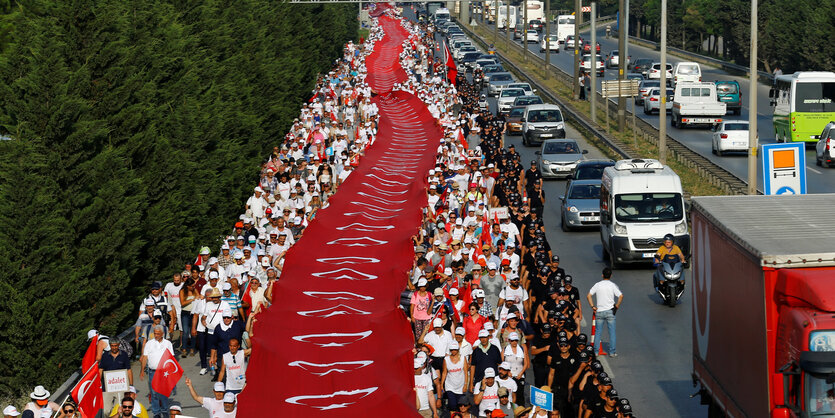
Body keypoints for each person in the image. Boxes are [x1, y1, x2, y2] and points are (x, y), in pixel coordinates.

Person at [586, 268, 623, 358]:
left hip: (599, 311)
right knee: (612, 332)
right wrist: (617, 306)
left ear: (602, 275)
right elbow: (621, 296)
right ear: (611, 276)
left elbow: (589, 295)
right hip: (610, 311)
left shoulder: (597, 285)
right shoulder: (612, 285)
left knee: (598, 332)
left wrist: (592, 306)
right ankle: (612, 352)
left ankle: (596, 351)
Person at [139, 325, 174, 417]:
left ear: (162, 334)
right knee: (154, 393)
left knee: (163, 392)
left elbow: (171, 358)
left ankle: (165, 410)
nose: (156, 335)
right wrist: (142, 370)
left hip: (164, 372)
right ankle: (156, 413)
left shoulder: (168, 343)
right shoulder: (149, 344)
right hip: (152, 372)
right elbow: (145, 357)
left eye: (158, 333)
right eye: (155, 333)